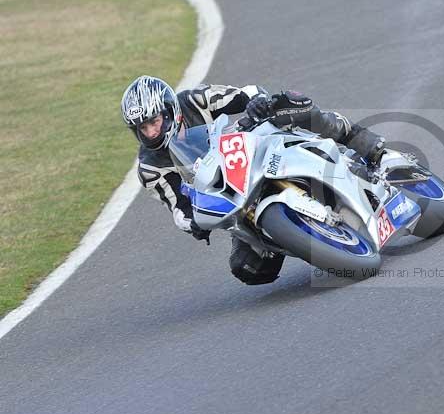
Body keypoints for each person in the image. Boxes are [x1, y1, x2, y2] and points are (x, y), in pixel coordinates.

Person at [120, 75, 385, 285]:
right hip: (228, 193)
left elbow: (246, 93)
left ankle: (361, 142)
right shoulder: (150, 167)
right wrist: (194, 224)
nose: (151, 132)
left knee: (292, 104)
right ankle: (300, 235)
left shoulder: (195, 100)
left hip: (247, 148)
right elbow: (179, 207)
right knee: (248, 269)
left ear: (168, 110)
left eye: (153, 121)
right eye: (142, 128)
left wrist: (255, 102)